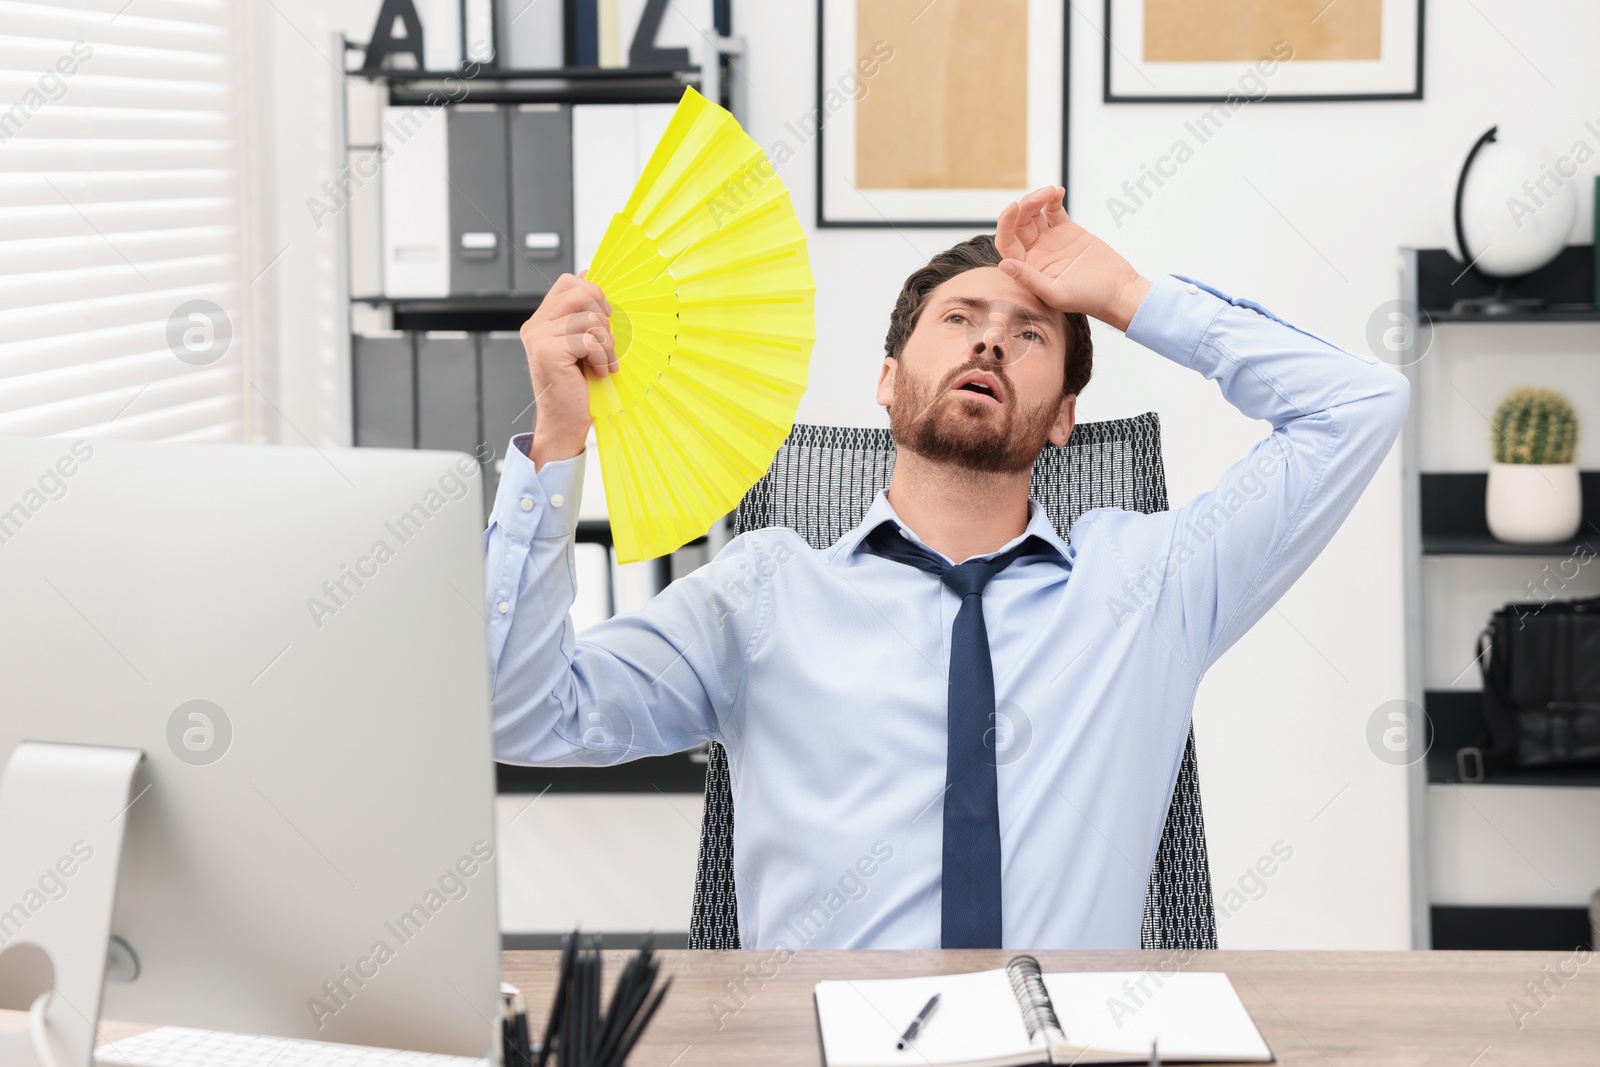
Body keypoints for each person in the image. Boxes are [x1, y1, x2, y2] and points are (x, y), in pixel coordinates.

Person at [484, 186, 1409, 950]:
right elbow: (522, 712)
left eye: (1031, 334)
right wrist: (561, 439)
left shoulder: (1151, 585)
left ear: (1062, 419)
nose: (990, 342)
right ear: (888, 378)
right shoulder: (764, 592)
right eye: (959, 317)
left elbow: (1360, 406)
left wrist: (1129, 296)